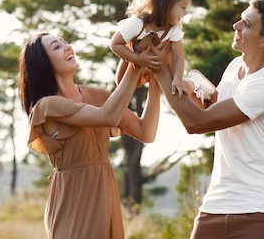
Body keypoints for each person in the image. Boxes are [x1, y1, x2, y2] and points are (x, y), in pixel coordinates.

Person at [150, 0, 264, 239]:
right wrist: (180, 78)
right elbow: (214, 102)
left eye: (246, 24)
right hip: (215, 207)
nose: (236, 26)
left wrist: (160, 71)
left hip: (259, 213)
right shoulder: (235, 66)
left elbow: (198, 123)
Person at [19, 32, 161, 239]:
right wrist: (134, 64)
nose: (67, 47)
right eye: (56, 47)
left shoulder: (98, 95)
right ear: (42, 64)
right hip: (73, 202)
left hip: (104, 194)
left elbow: (146, 132)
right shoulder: (46, 106)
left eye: (65, 42)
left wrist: (156, 81)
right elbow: (108, 116)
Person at [110, 0, 191, 95]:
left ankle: (158, 84)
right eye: (183, 7)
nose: (186, 12)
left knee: (170, 58)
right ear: (166, 5)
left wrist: (178, 78)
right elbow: (115, 44)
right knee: (121, 83)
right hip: (136, 61)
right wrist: (138, 59)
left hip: (159, 67)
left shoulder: (173, 29)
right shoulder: (138, 23)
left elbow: (178, 56)